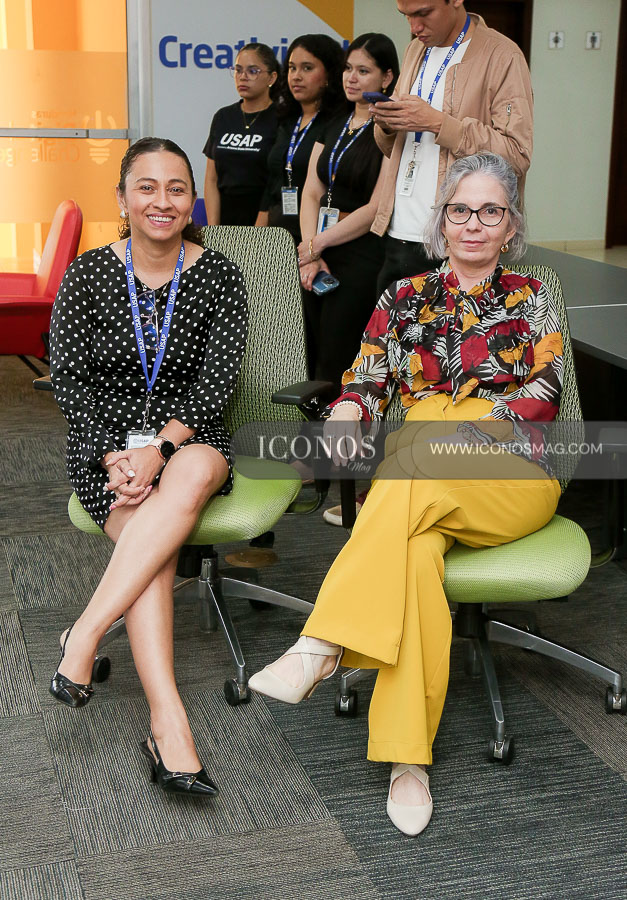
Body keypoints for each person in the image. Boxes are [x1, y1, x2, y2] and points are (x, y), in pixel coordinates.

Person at [249, 152, 563, 835]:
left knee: (413, 459)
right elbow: (366, 378)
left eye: (490, 211)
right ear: (440, 219)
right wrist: (346, 409)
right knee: (414, 554)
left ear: (510, 225)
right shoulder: (402, 297)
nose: (473, 223)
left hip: (511, 472)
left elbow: (543, 394)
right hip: (419, 481)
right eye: (460, 209)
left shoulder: (532, 297)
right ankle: (407, 759)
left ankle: (323, 640)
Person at [49, 137, 248, 798]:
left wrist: (158, 450)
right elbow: (69, 380)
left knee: (184, 479)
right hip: (104, 445)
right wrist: (113, 454)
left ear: (191, 200)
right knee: (153, 554)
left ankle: (85, 634)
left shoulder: (219, 276)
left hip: (190, 437)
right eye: (147, 187)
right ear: (123, 199)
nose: (163, 201)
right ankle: (169, 726)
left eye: (176, 188)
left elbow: (216, 385)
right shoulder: (86, 275)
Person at [370, 0, 533, 297]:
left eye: (423, 13)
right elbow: (392, 148)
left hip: (459, 243)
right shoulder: (415, 50)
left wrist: (438, 124)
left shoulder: (502, 55)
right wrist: (388, 124)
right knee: (390, 328)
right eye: (406, 16)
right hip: (398, 233)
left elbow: (516, 154)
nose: (414, 27)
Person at [297, 33, 400, 395]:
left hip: (360, 253)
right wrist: (311, 250)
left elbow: (375, 208)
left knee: (338, 354)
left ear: (387, 77)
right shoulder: (334, 122)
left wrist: (317, 245)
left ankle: (339, 424)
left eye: (363, 71)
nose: (351, 78)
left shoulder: (390, 129)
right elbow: (311, 191)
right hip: (317, 253)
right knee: (308, 350)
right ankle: (307, 426)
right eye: (347, 68)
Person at [256, 33, 345, 243]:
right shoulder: (286, 120)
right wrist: (257, 237)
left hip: (318, 237)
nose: (296, 76)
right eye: (292, 68)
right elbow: (272, 186)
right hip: (276, 236)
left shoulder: (338, 125)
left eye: (307, 68)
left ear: (329, 75)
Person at [203, 43, 280, 225]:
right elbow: (211, 179)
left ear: (272, 77)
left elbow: (276, 182)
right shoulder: (223, 117)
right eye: (238, 70)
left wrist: (257, 232)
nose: (243, 77)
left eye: (252, 71)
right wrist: (214, 229)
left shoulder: (281, 119)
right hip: (225, 220)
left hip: (266, 220)